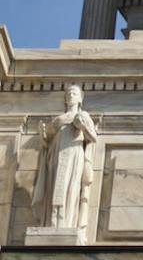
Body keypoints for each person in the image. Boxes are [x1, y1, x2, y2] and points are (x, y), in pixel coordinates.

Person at [42, 85, 100, 231]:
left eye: (74, 93)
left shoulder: (83, 116)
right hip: (56, 154)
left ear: (80, 98)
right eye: (68, 93)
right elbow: (47, 139)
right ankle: (52, 222)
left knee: (71, 187)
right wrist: (42, 135)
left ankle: (67, 222)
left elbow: (93, 138)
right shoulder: (58, 119)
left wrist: (82, 127)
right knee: (54, 187)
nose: (70, 95)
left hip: (74, 154)